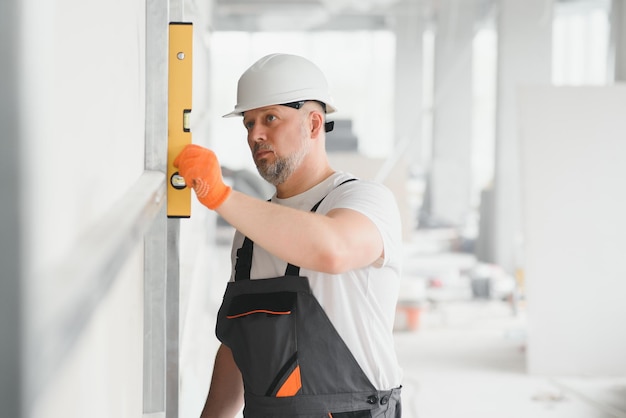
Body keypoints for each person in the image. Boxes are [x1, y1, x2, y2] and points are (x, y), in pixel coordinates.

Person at [174, 53, 403, 417]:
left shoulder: (363, 199)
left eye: (270, 118)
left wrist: (221, 197)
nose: (255, 134)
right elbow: (239, 347)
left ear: (314, 124)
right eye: (248, 123)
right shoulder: (248, 235)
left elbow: (333, 250)